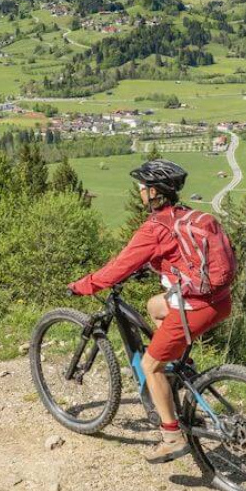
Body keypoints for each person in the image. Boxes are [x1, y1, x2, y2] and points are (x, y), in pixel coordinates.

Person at [67, 159, 233, 463]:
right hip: (220, 301)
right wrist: (153, 265)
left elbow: (117, 268)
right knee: (154, 306)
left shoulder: (155, 228)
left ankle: (171, 436)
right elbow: (180, 256)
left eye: (142, 187)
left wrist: (83, 286)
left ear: (154, 191)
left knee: (149, 366)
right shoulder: (186, 216)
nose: (140, 191)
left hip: (194, 308)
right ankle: (180, 369)